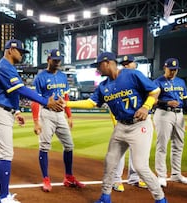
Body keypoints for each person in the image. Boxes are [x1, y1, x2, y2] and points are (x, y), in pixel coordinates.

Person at [65, 52, 167, 203]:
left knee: (140, 166)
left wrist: (146, 107)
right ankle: (105, 197)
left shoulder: (132, 75)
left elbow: (155, 91)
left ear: (107, 63)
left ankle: (161, 199)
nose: (97, 70)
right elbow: (90, 103)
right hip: (120, 127)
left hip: (139, 126)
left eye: (98, 66)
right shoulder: (103, 86)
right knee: (110, 162)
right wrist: (66, 104)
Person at [0, 39, 64, 203]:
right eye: (20, 51)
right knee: (6, 154)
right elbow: (21, 89)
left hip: (1, 111)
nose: (22, 54)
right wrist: (45, 101)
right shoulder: (4, 67)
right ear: (10, 50)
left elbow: (12, 93)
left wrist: (17, 111)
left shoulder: (8, 67)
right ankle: (4, 197)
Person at [31, 49, 85, 192]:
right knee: (44, 147)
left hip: (60, 115)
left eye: (59, 60)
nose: (57, 62)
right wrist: (36, 121)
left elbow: (65, 98)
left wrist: (69, 116)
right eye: (55, 60)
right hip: (47, 114)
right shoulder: (40, 77)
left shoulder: (62, 76)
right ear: (48, 59)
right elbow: (35, 100)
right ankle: (46, 179)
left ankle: (68, 177)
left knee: (69, 146)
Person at [153, 58, 187, 187]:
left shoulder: (181, 82)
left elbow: (185, 99)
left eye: (175, 70)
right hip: (163, 113)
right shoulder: (157, 82)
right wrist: (166, 102)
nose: (173, 72)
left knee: (179, 145)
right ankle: (161, 175)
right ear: (165, 68)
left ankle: (176, 174)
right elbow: (153, 101)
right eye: (171, 69)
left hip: (179, 114)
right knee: (162, 145)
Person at [112, 55, 147, 192]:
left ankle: (134, 178)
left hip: (138, 122)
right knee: (119, 152)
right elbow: (112, 102)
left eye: (129, 63)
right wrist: (115, 121)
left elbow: (152, 95)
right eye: (124, 64)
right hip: (123, 121)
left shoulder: (140, 78)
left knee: (137, 150)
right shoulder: (117, 81)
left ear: (135, 64)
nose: (126, 66)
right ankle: (116, 179)